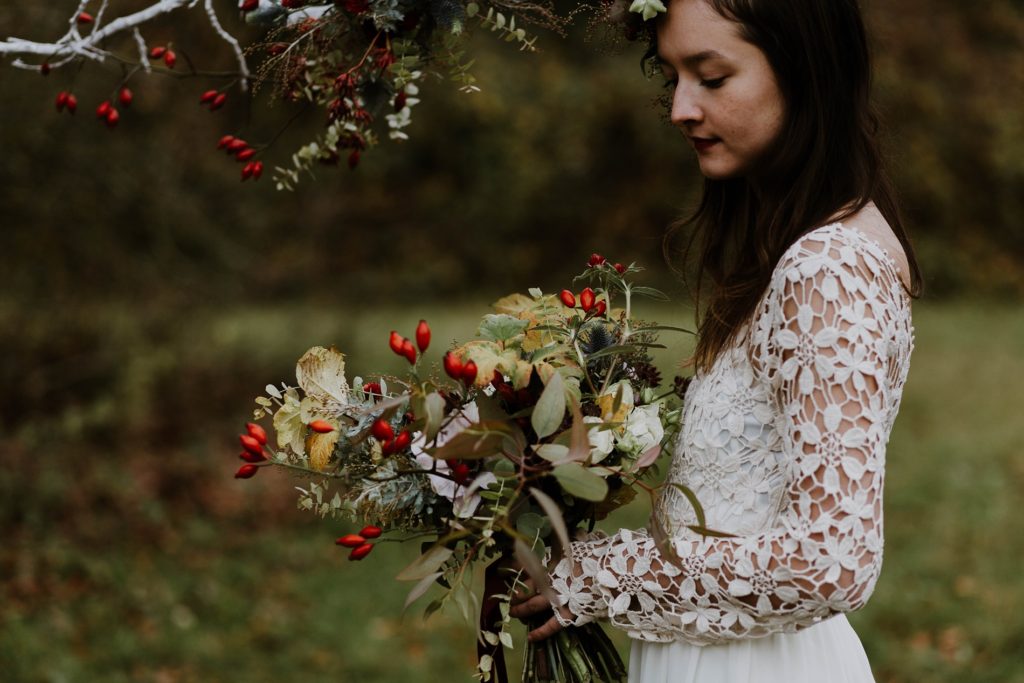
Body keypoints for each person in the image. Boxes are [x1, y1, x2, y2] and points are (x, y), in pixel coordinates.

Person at [508, 0, 923, 680]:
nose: (680, 108)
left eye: (712, 76)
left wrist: (601, 573)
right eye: (671, 76)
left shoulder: (828, 266)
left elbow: (829, 561)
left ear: (805, 72)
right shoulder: (800, 246)